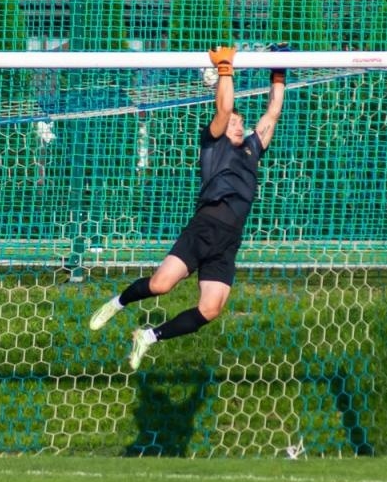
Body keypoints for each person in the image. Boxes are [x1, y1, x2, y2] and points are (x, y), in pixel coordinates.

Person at [88, 45, 286, 370]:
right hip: (204, 228)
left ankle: (148, 337)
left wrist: (279, 69)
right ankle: (117, 303)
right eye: (233, 122)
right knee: (160, 285)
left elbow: (273, 111)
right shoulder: (214, 144)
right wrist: (225, 67)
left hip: (228, 241)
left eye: (240, 122)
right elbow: (223, 110)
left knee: (211, 309)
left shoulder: (252, 148)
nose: (238, 125)